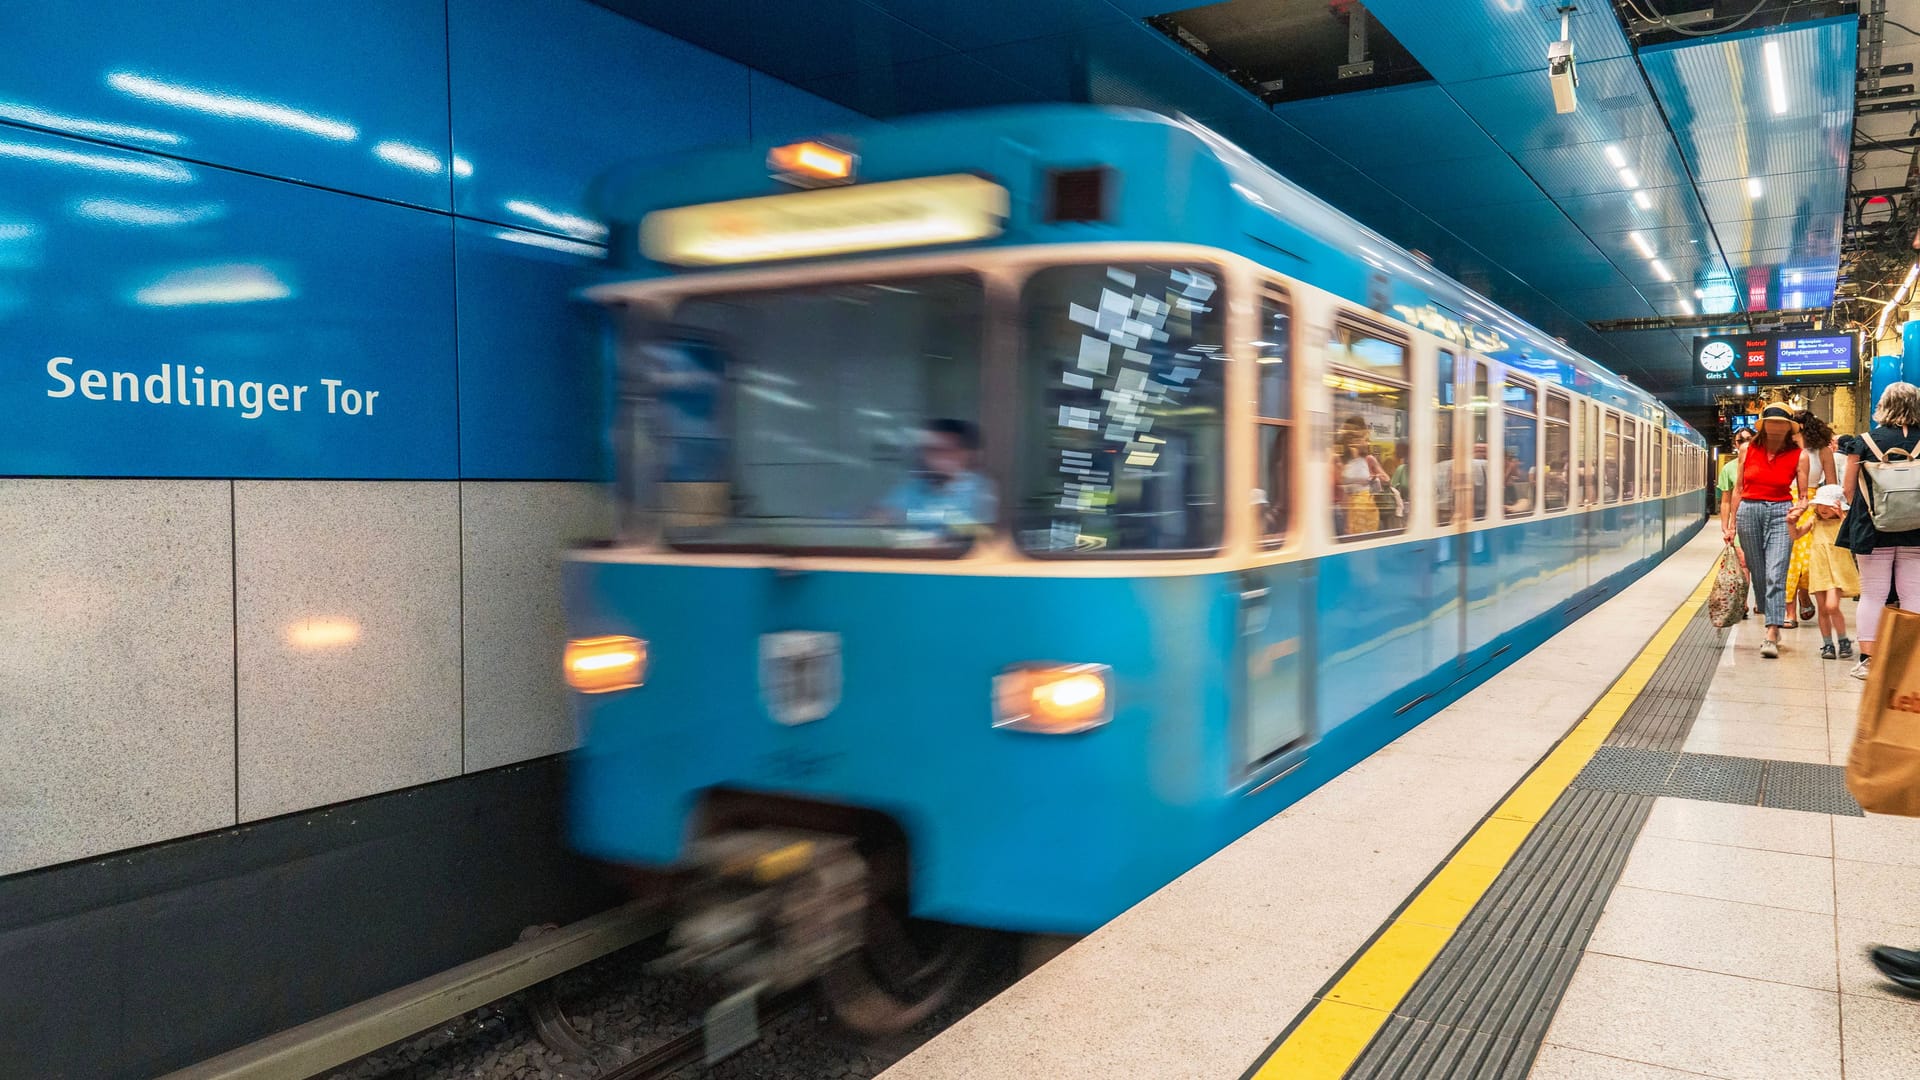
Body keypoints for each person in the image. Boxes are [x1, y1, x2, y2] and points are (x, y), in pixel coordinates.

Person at [1837, 381, 1920, 680]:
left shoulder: (1863, 442)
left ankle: (1868, 661)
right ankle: (1907, 660)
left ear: (1883, 405)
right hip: (1917, 530)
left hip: (1873, 529)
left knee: (1873, 594)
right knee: (1914, 594)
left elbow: (1848, 490)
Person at [1723, 403, 1809, 658]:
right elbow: (1738, 488)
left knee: (1775, 571)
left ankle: (1772, 630)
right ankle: (1768, 609)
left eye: (1781, 423)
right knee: (1758, 572)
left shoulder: (1799, 455)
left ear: (1789, 428)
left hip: (1782, 512)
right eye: (1771, 422)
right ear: (1764, 425)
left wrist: (1799, 510)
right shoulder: (1747, 450)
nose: (1776, 427)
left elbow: (1803, 496)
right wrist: (1731, 525)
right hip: (1749, 510)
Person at [875, 418, 996, 533]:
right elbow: (882, 515)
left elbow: (986, 533)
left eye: (947, 450)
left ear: (965, 453)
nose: (938, 457)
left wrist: (918, 516)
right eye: (931, 450)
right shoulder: (914, 485)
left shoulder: (981, 488)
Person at [1789, 483, 1858, 659]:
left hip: (1837, 570)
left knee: (1832, 606)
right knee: (1822, 610)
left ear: (1839, 507)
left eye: (1829, 505)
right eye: (1820, 504)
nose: (1823, 508)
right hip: (1819, 569)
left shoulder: (1844, 522)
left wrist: (1843, 517)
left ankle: (1843, 640)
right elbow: (1796, 535)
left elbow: (1853, 538)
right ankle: (1828, 644)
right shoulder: (1814, 521)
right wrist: (1791, 522)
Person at [1790, 411, 1839, 622]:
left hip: (1811, 505)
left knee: (1807, 560)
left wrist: (1830, 512)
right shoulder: (1784, 448)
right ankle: (1789, 611)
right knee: (1787, 559)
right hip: (1784, 504)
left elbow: (1831, 484)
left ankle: (1803, 595)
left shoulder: (1822, 451)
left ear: (1799, 426)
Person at [1718, 428, 1759, 617]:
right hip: (1740, 520)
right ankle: (1742, 604)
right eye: (1739, 440)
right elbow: (1726, 500)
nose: (1743, 443)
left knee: (1760, 564)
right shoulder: (1728, 469)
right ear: (1735, 445)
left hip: (1761, 519)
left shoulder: (1764, 463)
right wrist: (1726, 526)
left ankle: (1761, 601)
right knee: (1743, 564)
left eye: (1748, 439)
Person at [1333, 417, 1390, 536]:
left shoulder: (1368, 459)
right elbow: (1340, 485)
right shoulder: (1341, 459)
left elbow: (1386, 479)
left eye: (1362, 439)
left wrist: (1374, 477)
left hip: (1366, 507)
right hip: (1349, 507)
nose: (1365, 443)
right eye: (1354, 438)